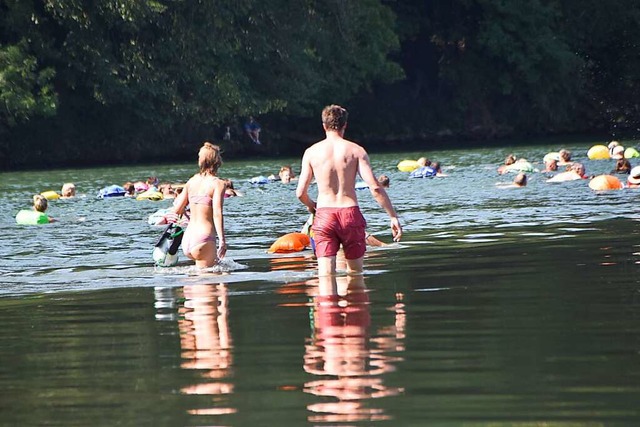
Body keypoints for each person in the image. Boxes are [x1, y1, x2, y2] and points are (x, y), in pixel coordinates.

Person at [296, 104, 402, 276]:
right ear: (345, 125)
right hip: (349, 213)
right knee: (355, 275)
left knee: (325, 277)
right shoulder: (356, 151)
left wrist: (312, 206)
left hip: (324, 215)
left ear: (324, 126)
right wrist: (393, 216)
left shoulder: (311, 152)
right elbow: (375, 187)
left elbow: (300, 193)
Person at [171, 142, 227, 269]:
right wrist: (222, 240)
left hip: (188, 239)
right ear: (217, 161)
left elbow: (177, 209)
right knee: (209, 281)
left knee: (195, 284)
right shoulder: (218, 184)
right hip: (204, 238)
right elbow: (217, 213)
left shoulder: (192, 181)